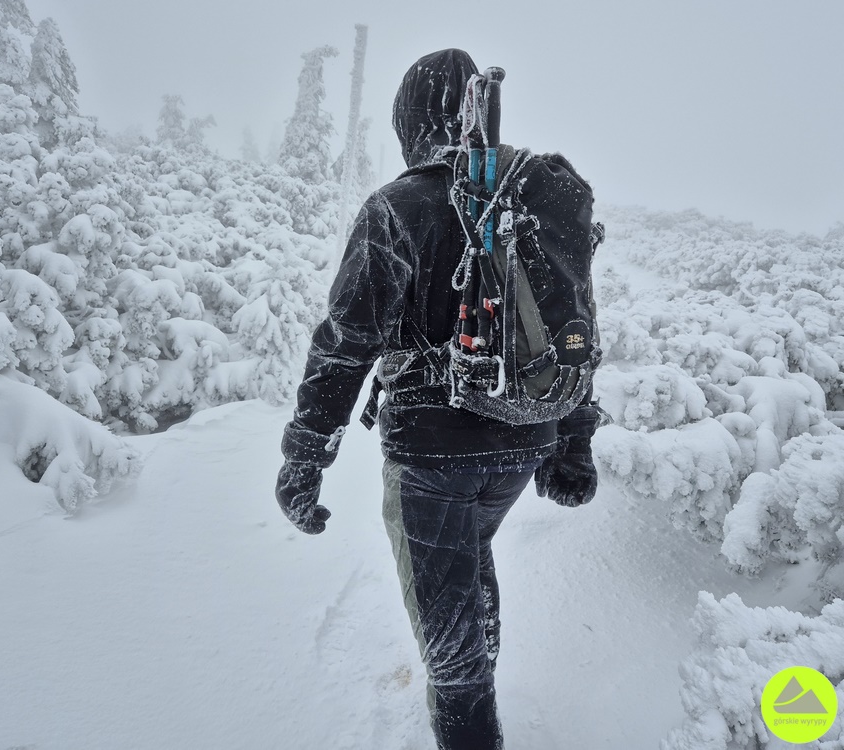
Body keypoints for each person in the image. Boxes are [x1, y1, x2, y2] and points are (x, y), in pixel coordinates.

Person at [275, 48, 602, 750]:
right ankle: (475, 650)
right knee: (466, 557)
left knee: (450, 655)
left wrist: (304, 458)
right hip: (524, 442)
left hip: (430, 456)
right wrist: (572, 440)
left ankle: (467, 703)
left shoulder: (396, 207)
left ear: (409, 121)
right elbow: (578, 325)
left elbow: (345, 342)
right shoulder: (529, 198)